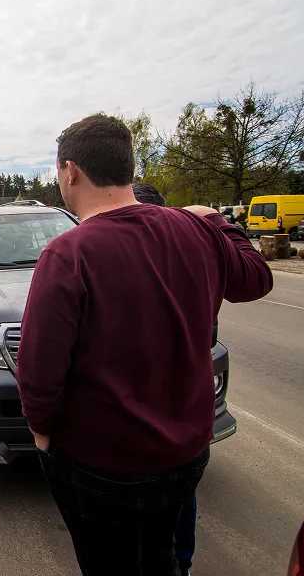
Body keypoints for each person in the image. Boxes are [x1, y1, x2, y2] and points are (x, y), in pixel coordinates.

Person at [16, 114, 273, 576]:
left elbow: (40, 368)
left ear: (70, 171)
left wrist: (41, 431)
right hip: (187, 453)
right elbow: (256, 278)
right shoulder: (195, 231)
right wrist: (215, 220)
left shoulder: (69, 253)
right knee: (163, 559)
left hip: (105, 465)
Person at [132, 182, 197, 576]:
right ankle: (178, 563)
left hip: (153, 413)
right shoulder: (189, 258)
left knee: (166, 498)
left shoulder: (167, 264)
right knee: (177, 494)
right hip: (179, 414)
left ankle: (175, 563)